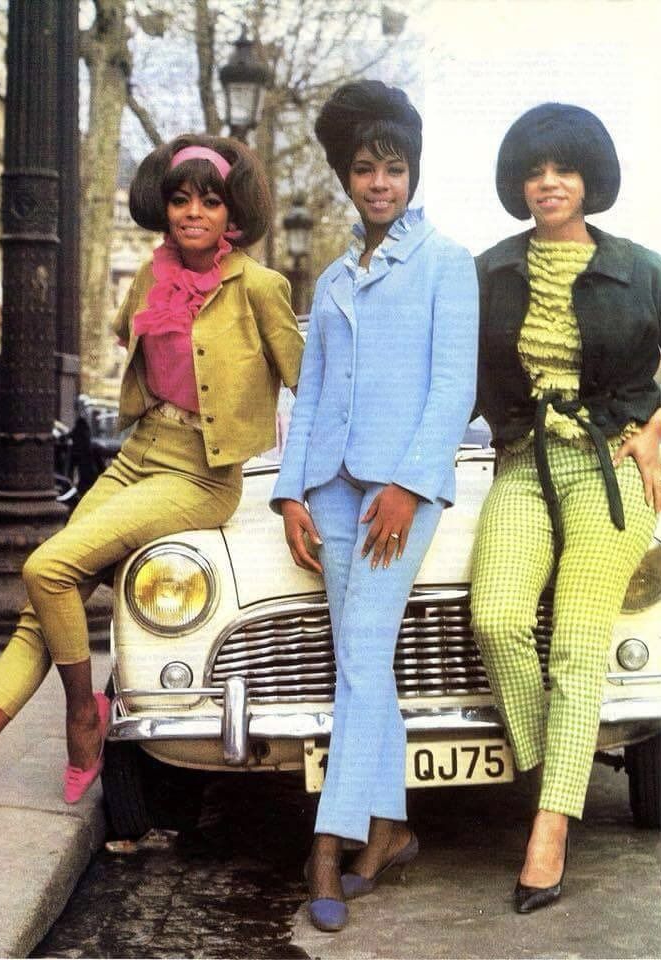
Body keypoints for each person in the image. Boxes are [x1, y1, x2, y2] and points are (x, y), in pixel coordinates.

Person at [0, 134, 304, 804]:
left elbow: (313, 389)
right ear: (164, 208)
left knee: (47, 566)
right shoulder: (149, 275)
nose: (193, 212)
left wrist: (302, 488)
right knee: (44, 609)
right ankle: (72, 712)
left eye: (210, 200)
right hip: (136, 455)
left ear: (232, 213)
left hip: (199, 477)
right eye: (180, 198)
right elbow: (133, 347)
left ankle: (83, 713)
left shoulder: (260, 288)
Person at [271, 80, 479, 932]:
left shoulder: (446, 263)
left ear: (413, 174)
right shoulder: (329, 279)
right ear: (346, 180)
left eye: (394, 169)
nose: (380, 183)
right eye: (365, 170)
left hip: (402, 492)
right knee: (366, 663)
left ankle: (327, 844)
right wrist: (289, 492)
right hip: (329, 487)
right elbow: (312, 393)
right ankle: (388, 829)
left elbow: (451, 387)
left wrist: (407, 482)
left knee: (360, 651)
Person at [471, 103, 661, 913]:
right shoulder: (487, 271)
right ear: (520, 182)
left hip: (610, 466)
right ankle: (559, 771)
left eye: (564, 169)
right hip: (522, 463)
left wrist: (658, 429)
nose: (548, 183)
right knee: (496, 616)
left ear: (589, 179)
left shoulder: (642, 267)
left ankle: (548, 831)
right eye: (535, 171)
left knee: (579, 642)